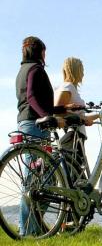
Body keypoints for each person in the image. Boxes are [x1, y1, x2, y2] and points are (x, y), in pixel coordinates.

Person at [15, 36, 63, 235]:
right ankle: (27, 229)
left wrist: (64, 108)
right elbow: (33, 97)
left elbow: (33, 100)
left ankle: (30, 226)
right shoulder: (35, 69)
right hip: (35, 125)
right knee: (40, 181)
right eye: (44, 51)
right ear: (39, 51)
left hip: (26, 123)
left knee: (35, 179)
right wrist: (46, 117)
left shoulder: (22, 71)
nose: (45, 55)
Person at [54, 57, 98, 162]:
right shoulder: (68, 87)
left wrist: (101, 116)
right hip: (73, 136)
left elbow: (81, 117)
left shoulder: (69, 87)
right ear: (75, 70)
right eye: (81, 69)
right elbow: (57, 112)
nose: (83, 73)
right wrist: (81, 118)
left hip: (76, 135)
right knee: (77, 176)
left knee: (78, 174)